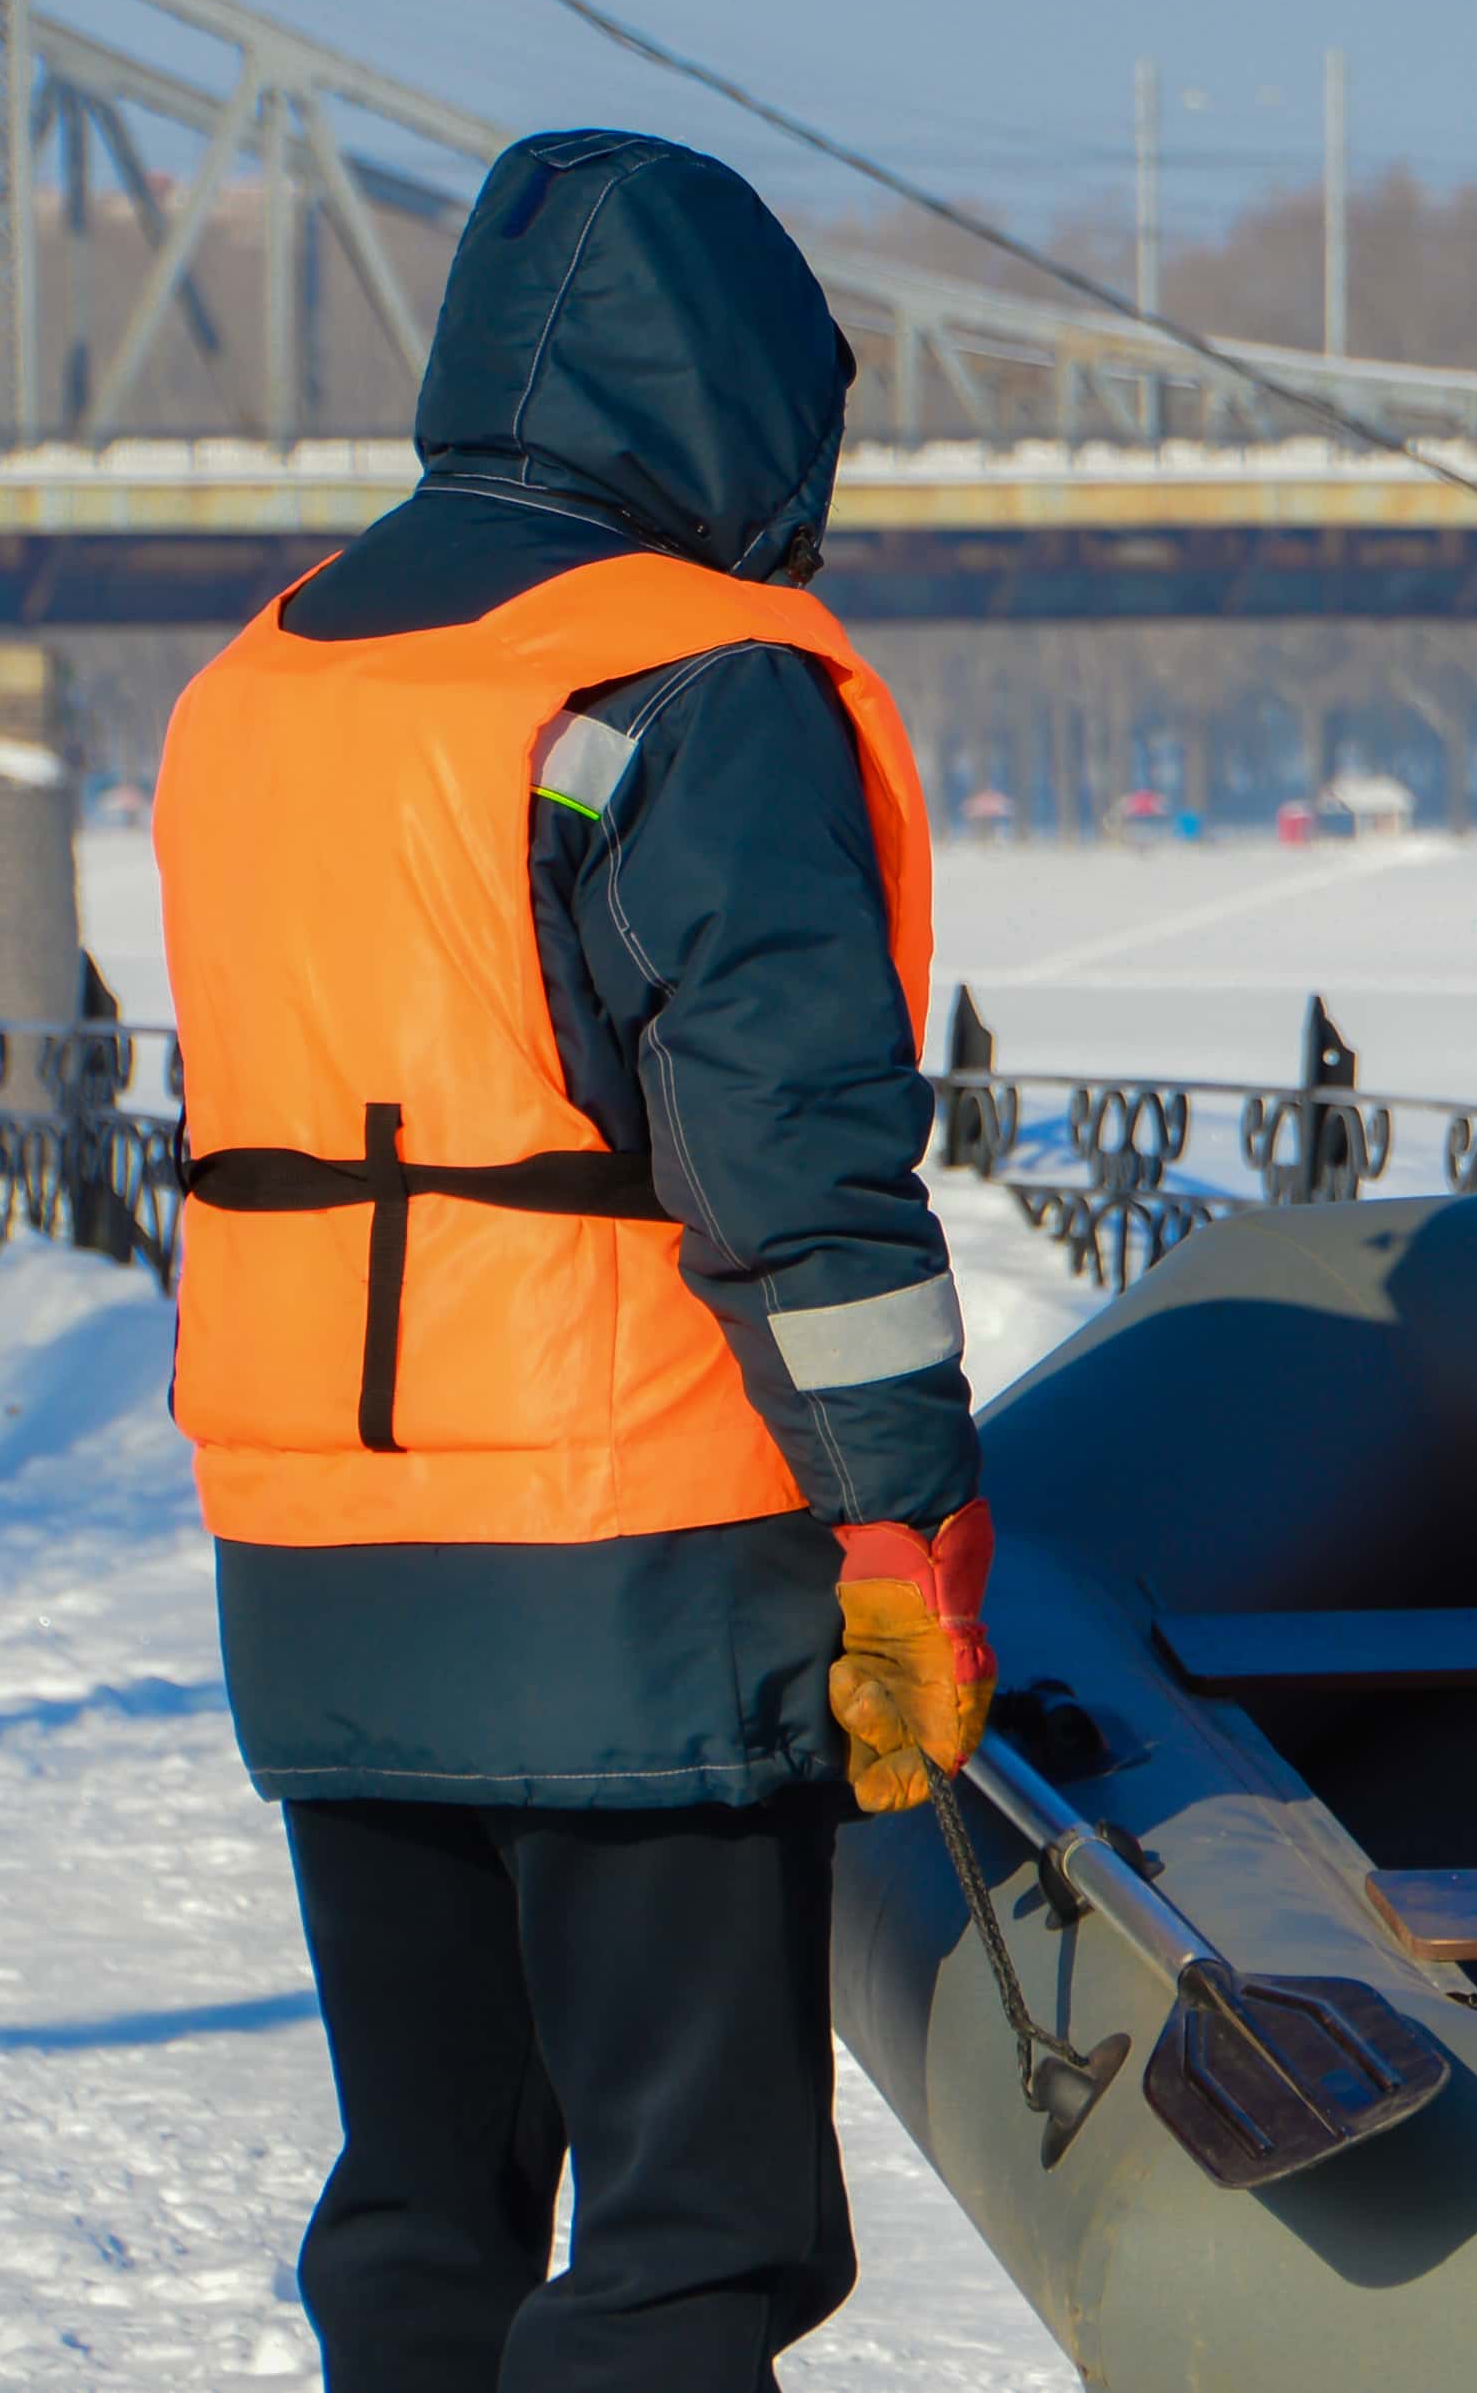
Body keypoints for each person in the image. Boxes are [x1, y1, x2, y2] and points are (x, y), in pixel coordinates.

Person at [151, 130, 994, 2392]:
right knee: (689, 2235)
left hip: (320, 1543)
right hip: (630, 1552)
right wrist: (906, 1511)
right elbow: (789, 1158)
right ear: (738, 390)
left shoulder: (265, 680)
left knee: (422, 2208)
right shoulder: (688, 688)